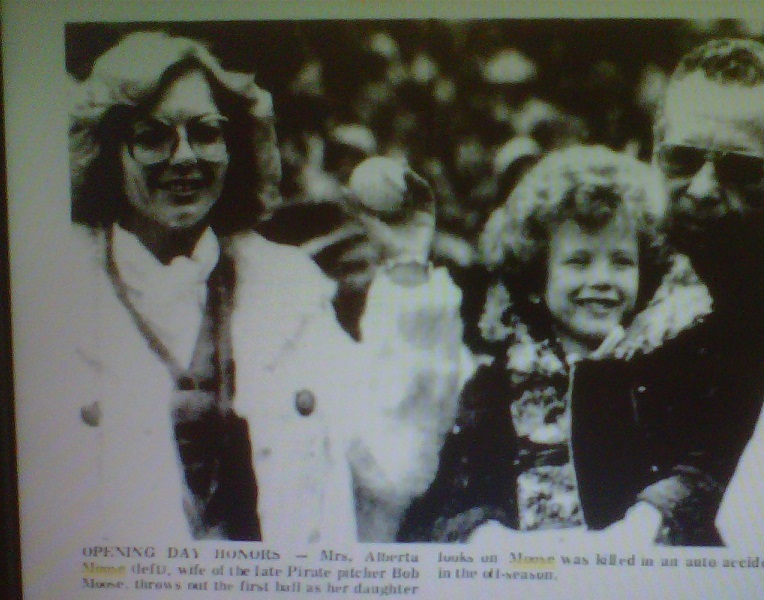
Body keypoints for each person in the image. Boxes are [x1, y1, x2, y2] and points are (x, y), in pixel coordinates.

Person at [61, 30, 466, 545]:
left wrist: (407, 262)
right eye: (153, 135)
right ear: (108, 150)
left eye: (206, 132)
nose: (185, 156)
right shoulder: (53, 298)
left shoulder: (290, 290)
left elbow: (394, 466)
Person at [570, 38, 764, 545]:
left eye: (740, 171)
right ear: (651, 152)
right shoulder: (591, 262)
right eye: (681, 160)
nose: (701, 189)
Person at [398, 144, 693, 541]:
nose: (603, 278)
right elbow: (451, 499)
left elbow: (701, 469)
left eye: (621, 261)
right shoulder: (497, 385)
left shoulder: (663, 369)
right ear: (537, 278)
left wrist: (651, 516)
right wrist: (485, 532)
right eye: (579, 261)